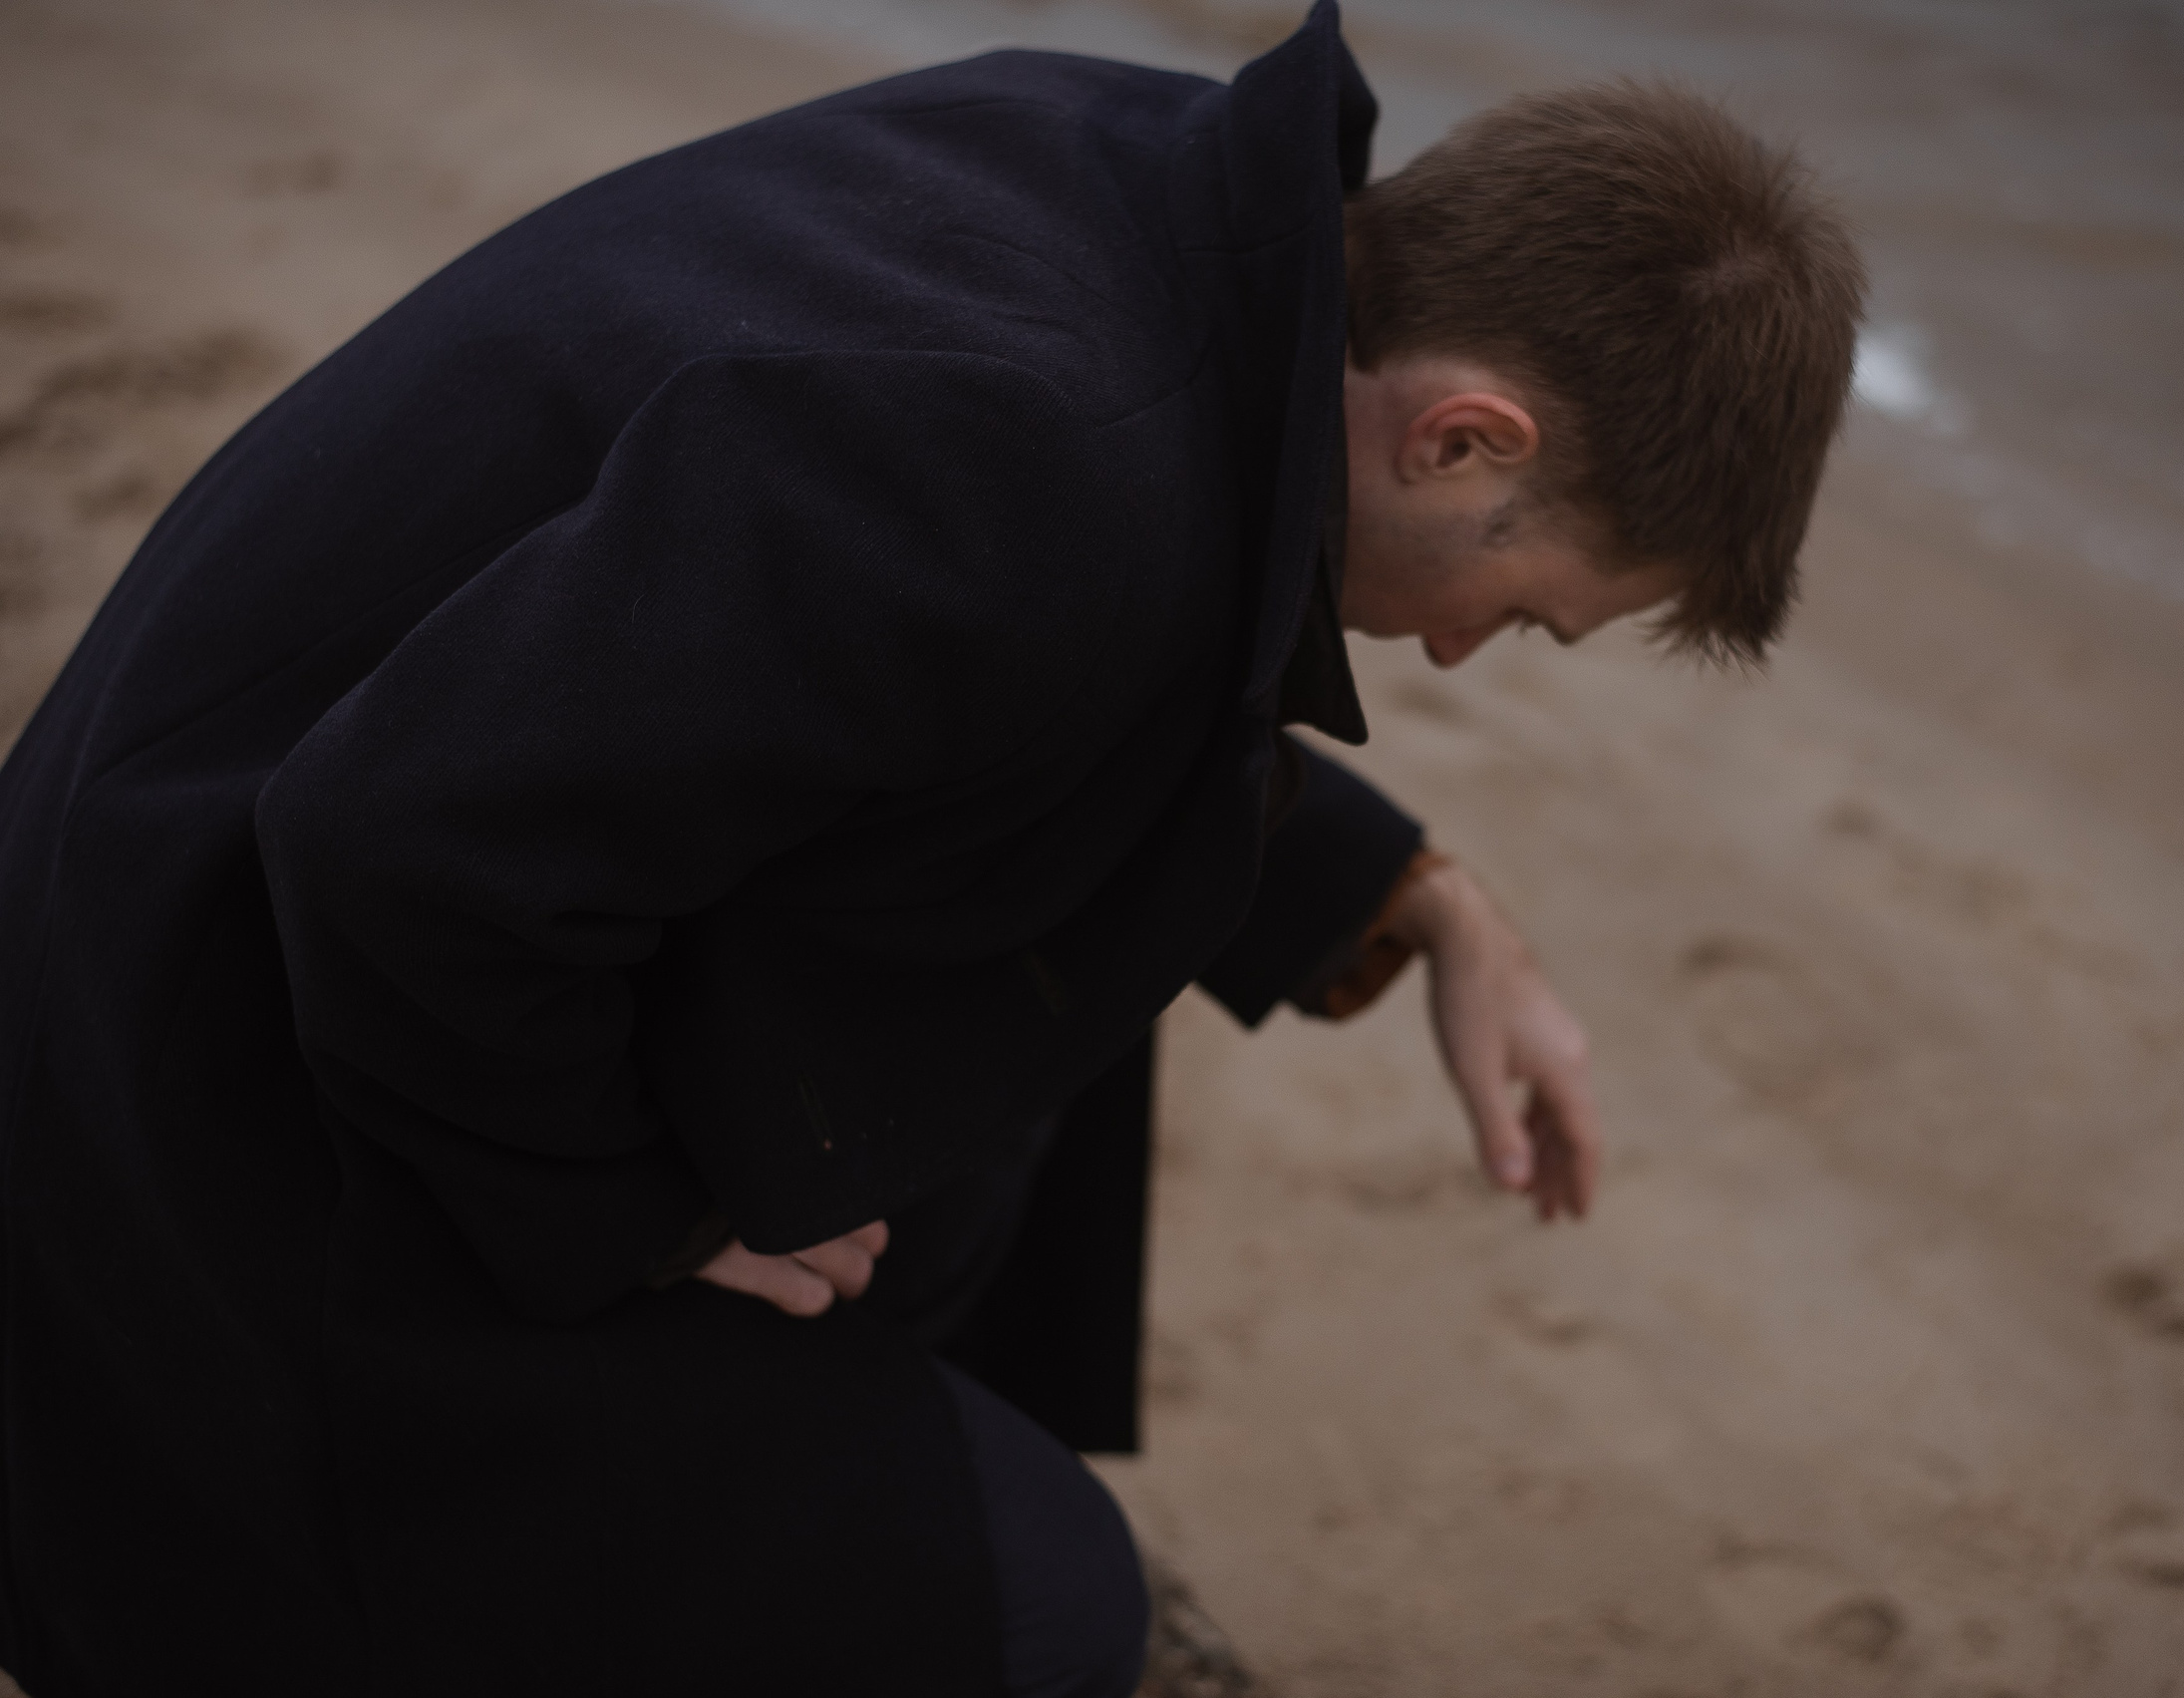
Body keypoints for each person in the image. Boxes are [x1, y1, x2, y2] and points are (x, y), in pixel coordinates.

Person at [0, 4, 1862, 1694]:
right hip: (196, 1107)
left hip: (223, 879)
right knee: (1049, 1614)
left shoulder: (1161, 198)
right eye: (1525, 610)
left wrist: (1420, 901)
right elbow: (394, 852)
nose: (1463, 652)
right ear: (1467, 439)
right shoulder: (1031, 463)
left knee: (1060, 921)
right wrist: (638, 1219)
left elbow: (957, 691)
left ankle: (854, 1421)